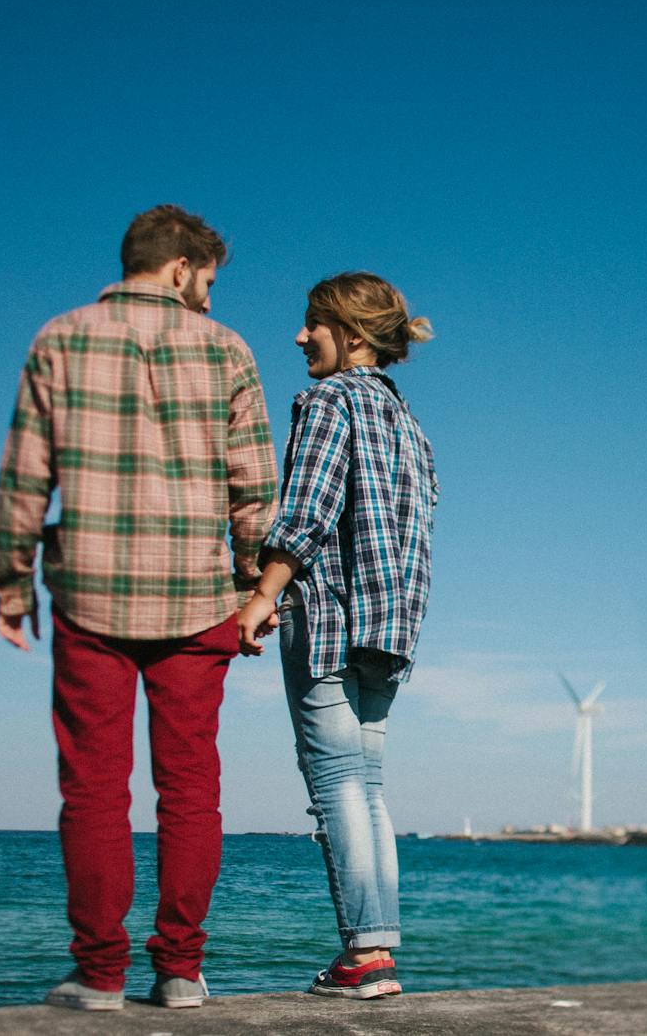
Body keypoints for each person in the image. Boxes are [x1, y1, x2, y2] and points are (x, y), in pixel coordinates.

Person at [0, 205, 277, 1011]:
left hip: (90, 595)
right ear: (180, 267)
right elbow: (255, 487)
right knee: (191, 790)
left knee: (93, 788)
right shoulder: (228, 351)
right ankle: (180, 970)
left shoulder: (59, 338)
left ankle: (100, 975)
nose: (211, 300)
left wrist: (12, 585)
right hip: (200, 599)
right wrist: (260, 588)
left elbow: (23, 476)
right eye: (209, 281)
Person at [234, 272, 437, 1000]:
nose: (298, 336)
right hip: (390, 630)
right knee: (368, 787)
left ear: (350, 333)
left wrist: (263, 593)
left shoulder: (329, 400)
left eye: (311, 323)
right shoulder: (410, 424)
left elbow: (312, 507)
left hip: (328, 624)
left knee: (336, 789)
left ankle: (365, 953)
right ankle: (376, 950)